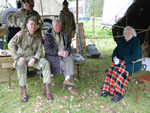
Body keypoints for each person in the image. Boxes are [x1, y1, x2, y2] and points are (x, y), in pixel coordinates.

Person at [8, 16, 53, 102]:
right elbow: (11, 44)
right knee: (20, 64)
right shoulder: (21, 34)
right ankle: (23, 92)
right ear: (27, 25)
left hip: (33, 58)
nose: (33, 26)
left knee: (45, 62)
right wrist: (17, 58)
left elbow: (40, 51)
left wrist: (35, 59)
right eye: (31, 24)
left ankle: (46, 90)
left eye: (34, 24)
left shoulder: (37, 38)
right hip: (22, 58)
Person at [100, 26, 141, 102]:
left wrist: (124, 61)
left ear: (133, 34)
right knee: (111, 70)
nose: (127, 35)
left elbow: (135, 56)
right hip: (120, 62)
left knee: (120, 72)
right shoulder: (122, 40)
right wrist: (114, 57)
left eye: (129, 33)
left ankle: (118, 94)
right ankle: (107, 89)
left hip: (132, 64)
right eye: (125, 33)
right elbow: (116, 50)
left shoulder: (136, 41)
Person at [44, 19, 78, 96]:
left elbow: (68, 46)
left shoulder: (64, 34)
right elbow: (47, 50)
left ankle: (67, 80)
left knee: (69, 59)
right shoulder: (48, 36)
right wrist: (58, 53)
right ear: (52, 26)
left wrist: (67, 52)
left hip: (64, 55)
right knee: (66, 66)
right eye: (56, 25)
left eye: (59, 25)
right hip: (54, 58)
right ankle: (70, 88)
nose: (58, 27)